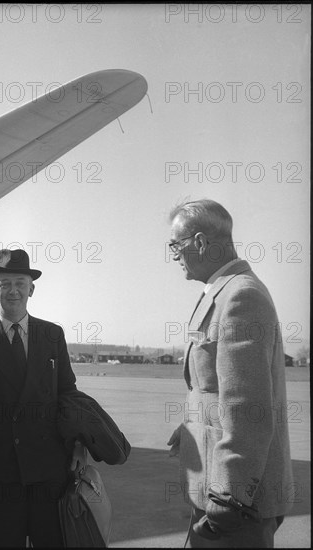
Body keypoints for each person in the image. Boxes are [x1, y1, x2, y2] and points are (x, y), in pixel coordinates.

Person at [166, 199, 293, 548]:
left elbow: (247, 408)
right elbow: (212, 388)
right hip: (216, 485)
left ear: (201, 243)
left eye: (176, 245)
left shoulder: (241, 297)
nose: (174, 255)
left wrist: (228, 496)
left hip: (236, 499)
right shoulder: (220, 293)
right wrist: (192, 424)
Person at [0, 249, 86, 547]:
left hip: (49, 471)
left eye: (20, 283)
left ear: (32, 289)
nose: (13, 291)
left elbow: (68, 393)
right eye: (5, 284)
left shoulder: (52, 335)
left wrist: (78, 444)